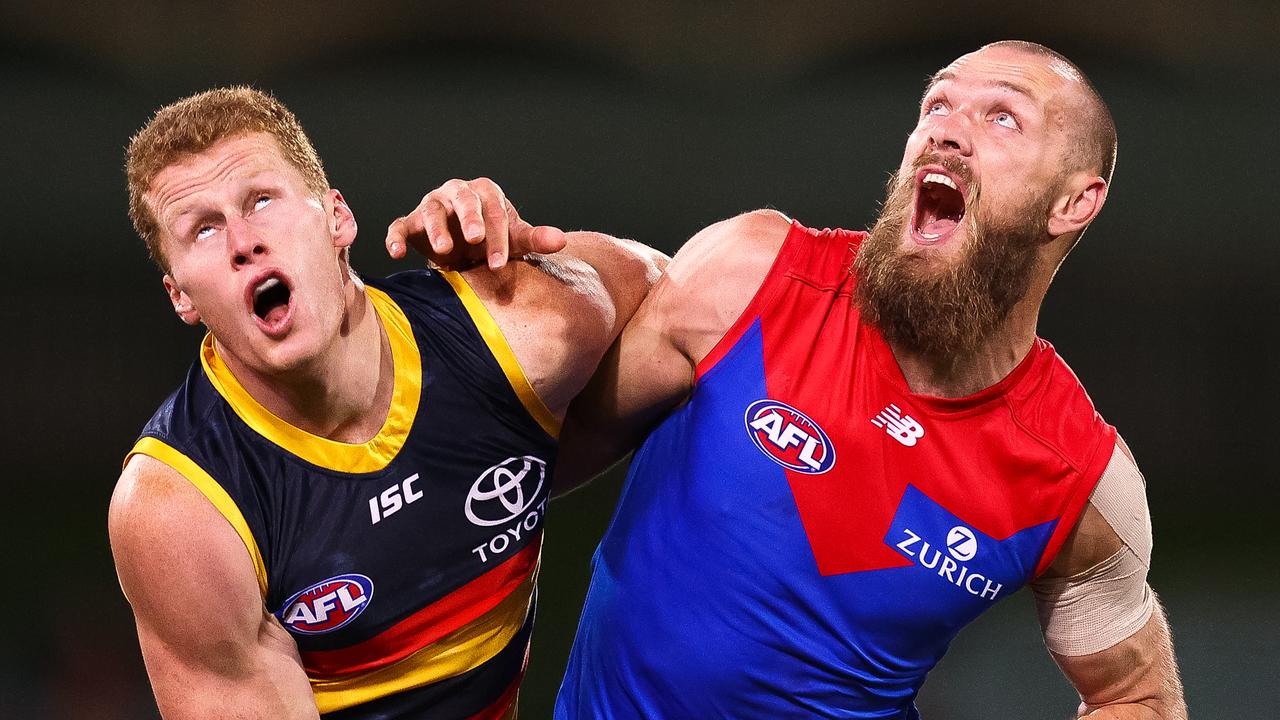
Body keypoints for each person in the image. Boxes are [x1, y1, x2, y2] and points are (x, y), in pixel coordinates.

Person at [397, 41, 1187, 718]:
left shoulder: (1080, 478)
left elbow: (1136, 693)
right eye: (937, 104)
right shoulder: (753, 278)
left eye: (1002, 117)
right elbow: (517, 466)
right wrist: (469, 320)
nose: (947, 131)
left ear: (1075, 200)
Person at [106, 87, 664, 719]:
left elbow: (694, 309)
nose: (242, 243)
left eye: (261, 200)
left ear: (337, 219)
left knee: (741, 264)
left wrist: (519, 261)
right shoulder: (180, 508)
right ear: (180, 296)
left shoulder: (514, 327)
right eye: (203, 230)